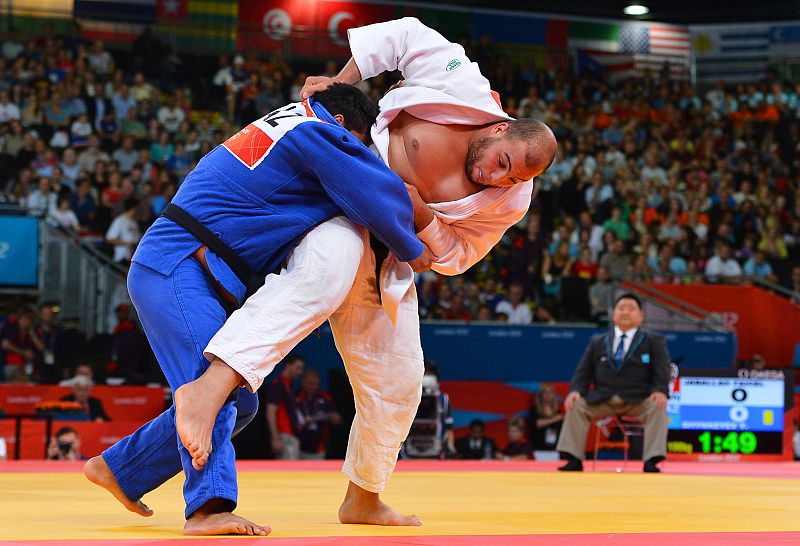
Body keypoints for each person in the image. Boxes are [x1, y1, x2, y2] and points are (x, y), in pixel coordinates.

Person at [174, 17, 555, 527]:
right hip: (337, 202)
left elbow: (459, 255)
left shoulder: (512, 198)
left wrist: (421, 216)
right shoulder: (463, 85)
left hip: (391, 250)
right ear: (501, 126)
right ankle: (211, 385)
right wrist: (345, 81)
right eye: (503, 160)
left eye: (513, 175)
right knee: (325, 273)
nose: (497, 177)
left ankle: (363, 496)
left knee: (400, 382)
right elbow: (403, 36)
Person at [83, 84, 428, 537]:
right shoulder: (316, 130)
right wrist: (413, 244)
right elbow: (373, 189)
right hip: (178, 266)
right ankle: (208, 509)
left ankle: (122, 470)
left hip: (183, 267)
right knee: (215, 391)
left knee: (241, 400)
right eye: (359, 144)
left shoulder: (288, 125)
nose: (357, 153)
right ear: (344, 125)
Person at [556, 293, 670, 473]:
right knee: (576, 405)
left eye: (631, 309)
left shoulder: (653, 340)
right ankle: (573, 458)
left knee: (658, 407)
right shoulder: (598, 341)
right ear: (613, 314)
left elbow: (662, 370)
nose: (625, 312)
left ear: (641, 316)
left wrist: (660, 391)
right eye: (621, 308)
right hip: (603, 398)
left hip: (638, 399)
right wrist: (576, 390)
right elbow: (583, 371)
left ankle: (651, 460)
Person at [265, 355, 304, 460]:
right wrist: (275, 437)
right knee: (290, 474)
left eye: (301, 369)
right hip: (284, 437)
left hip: (291, 436)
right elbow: (270, 411)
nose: (300, 372)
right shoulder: (278, 385)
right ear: (288, 366)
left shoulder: (289, 386)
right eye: (298, 368)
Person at [296, 368, 341, 459]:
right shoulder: (294, 396)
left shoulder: (325, 397)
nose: (314, 387)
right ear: (303, 382)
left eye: (316, 384)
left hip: (319, 449)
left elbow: (337, 419)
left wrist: (333, 417)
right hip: (297, 448)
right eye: (310, 384)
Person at [527, 383, 563, 452]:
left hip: (553, 447)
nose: (548, 395)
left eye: (551, 392)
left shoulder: (557, 411)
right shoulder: (535, 409)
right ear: (541, 395)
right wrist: (555, 419)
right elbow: (537, 423)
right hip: (537, 446)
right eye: (546, 392)